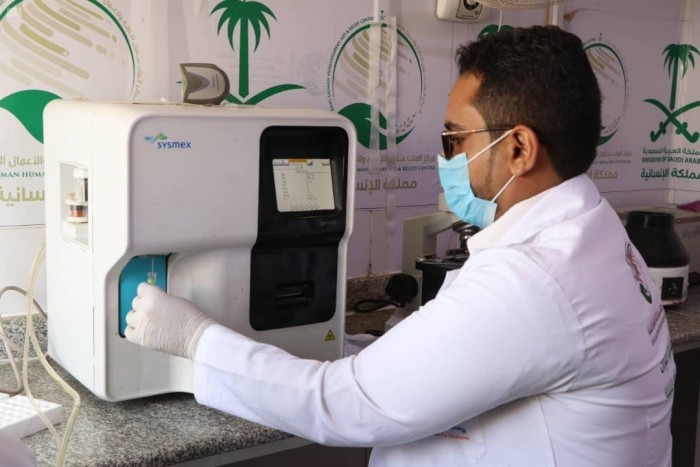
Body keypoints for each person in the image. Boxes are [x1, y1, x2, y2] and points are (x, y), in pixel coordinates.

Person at [126, 25, 675, 466]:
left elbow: (347, 405)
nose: (445, 156)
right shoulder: (590, 231)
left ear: (519, 149)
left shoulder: (535, 279)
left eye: (454, 138)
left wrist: (196, 340)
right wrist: (352, 349)